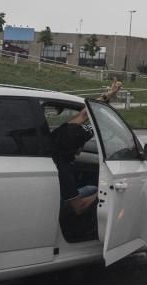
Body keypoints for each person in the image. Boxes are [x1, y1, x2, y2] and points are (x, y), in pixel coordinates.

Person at [51, 79, 122, 238]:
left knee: (89, 187)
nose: (82, 147)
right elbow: (78, 207)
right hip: (62, 206)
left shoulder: (61, 133)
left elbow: (85, 112)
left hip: (59, 195)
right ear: (73, 148)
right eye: (81, 144)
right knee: (96, 191)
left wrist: (110, 94)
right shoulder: (63, 169)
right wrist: (102, 195)